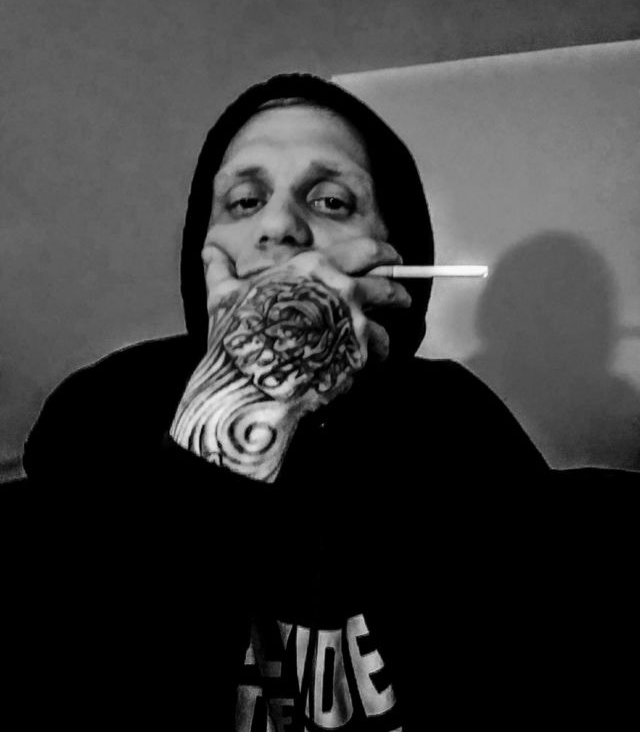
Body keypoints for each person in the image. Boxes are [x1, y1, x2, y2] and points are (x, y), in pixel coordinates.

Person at [19, 74, 638, 729]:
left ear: (396, 254)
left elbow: (534, 653)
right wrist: (237, 404)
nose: (279, 225)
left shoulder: (455, 420)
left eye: (332, 200)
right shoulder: (106, 410)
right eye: (244, 200)